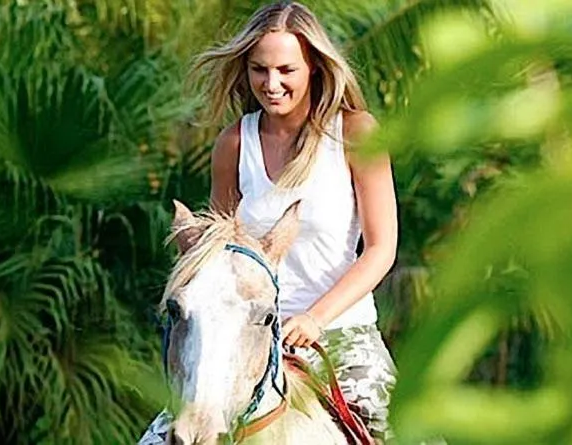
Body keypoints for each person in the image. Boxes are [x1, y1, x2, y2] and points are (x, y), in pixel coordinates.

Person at [138, 1, 399, 443]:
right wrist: (193, 242)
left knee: (402, 431)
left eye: (286, 70)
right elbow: (219, 253)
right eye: (260, 69)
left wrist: (315, 318)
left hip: (340, 333)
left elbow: (380, 249)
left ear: (314, 67)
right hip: (245, 338)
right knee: (165, 435)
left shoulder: (356, 133)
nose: (271, 83)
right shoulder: (235, 142)